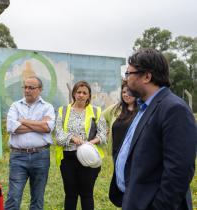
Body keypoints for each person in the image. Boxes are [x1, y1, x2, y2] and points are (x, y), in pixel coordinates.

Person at [109, 48, 197, 210]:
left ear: (147, 77)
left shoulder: (174, 109)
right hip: (134, 200)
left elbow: (179, 172)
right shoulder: (144, 107)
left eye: (129, 74)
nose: (126, 79)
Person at [5, 76, 55, 210]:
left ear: (40, 90)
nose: (27, 90)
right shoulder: (15, 106)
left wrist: (23, 121)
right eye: (25, 87)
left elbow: (47, 128)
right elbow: (11, 127)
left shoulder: (47, 107)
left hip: (41, 156)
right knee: (13, 196)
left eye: (31, 88)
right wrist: (39, 124)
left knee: (38, 198)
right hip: (18, 157)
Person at [55, 80, 107, 210]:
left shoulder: (97, 111)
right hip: (68, 158)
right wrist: (72, 138)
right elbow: (58, 136)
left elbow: (103, 136)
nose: (81, 95)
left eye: (85, 93)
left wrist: (90, 143)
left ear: (89, 95)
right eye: (78, 92)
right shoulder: (63, 110)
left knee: (86, 194)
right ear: (74, 93)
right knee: (70, 194)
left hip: (88, 158)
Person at [102, 80, 137, 159]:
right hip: (116, 153)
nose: (126, 95)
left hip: (134, 154)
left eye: (129, 92)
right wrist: (104, 131)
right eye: (124, 92)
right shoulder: (115, 108)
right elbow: (99, 118)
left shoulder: (142, 110)